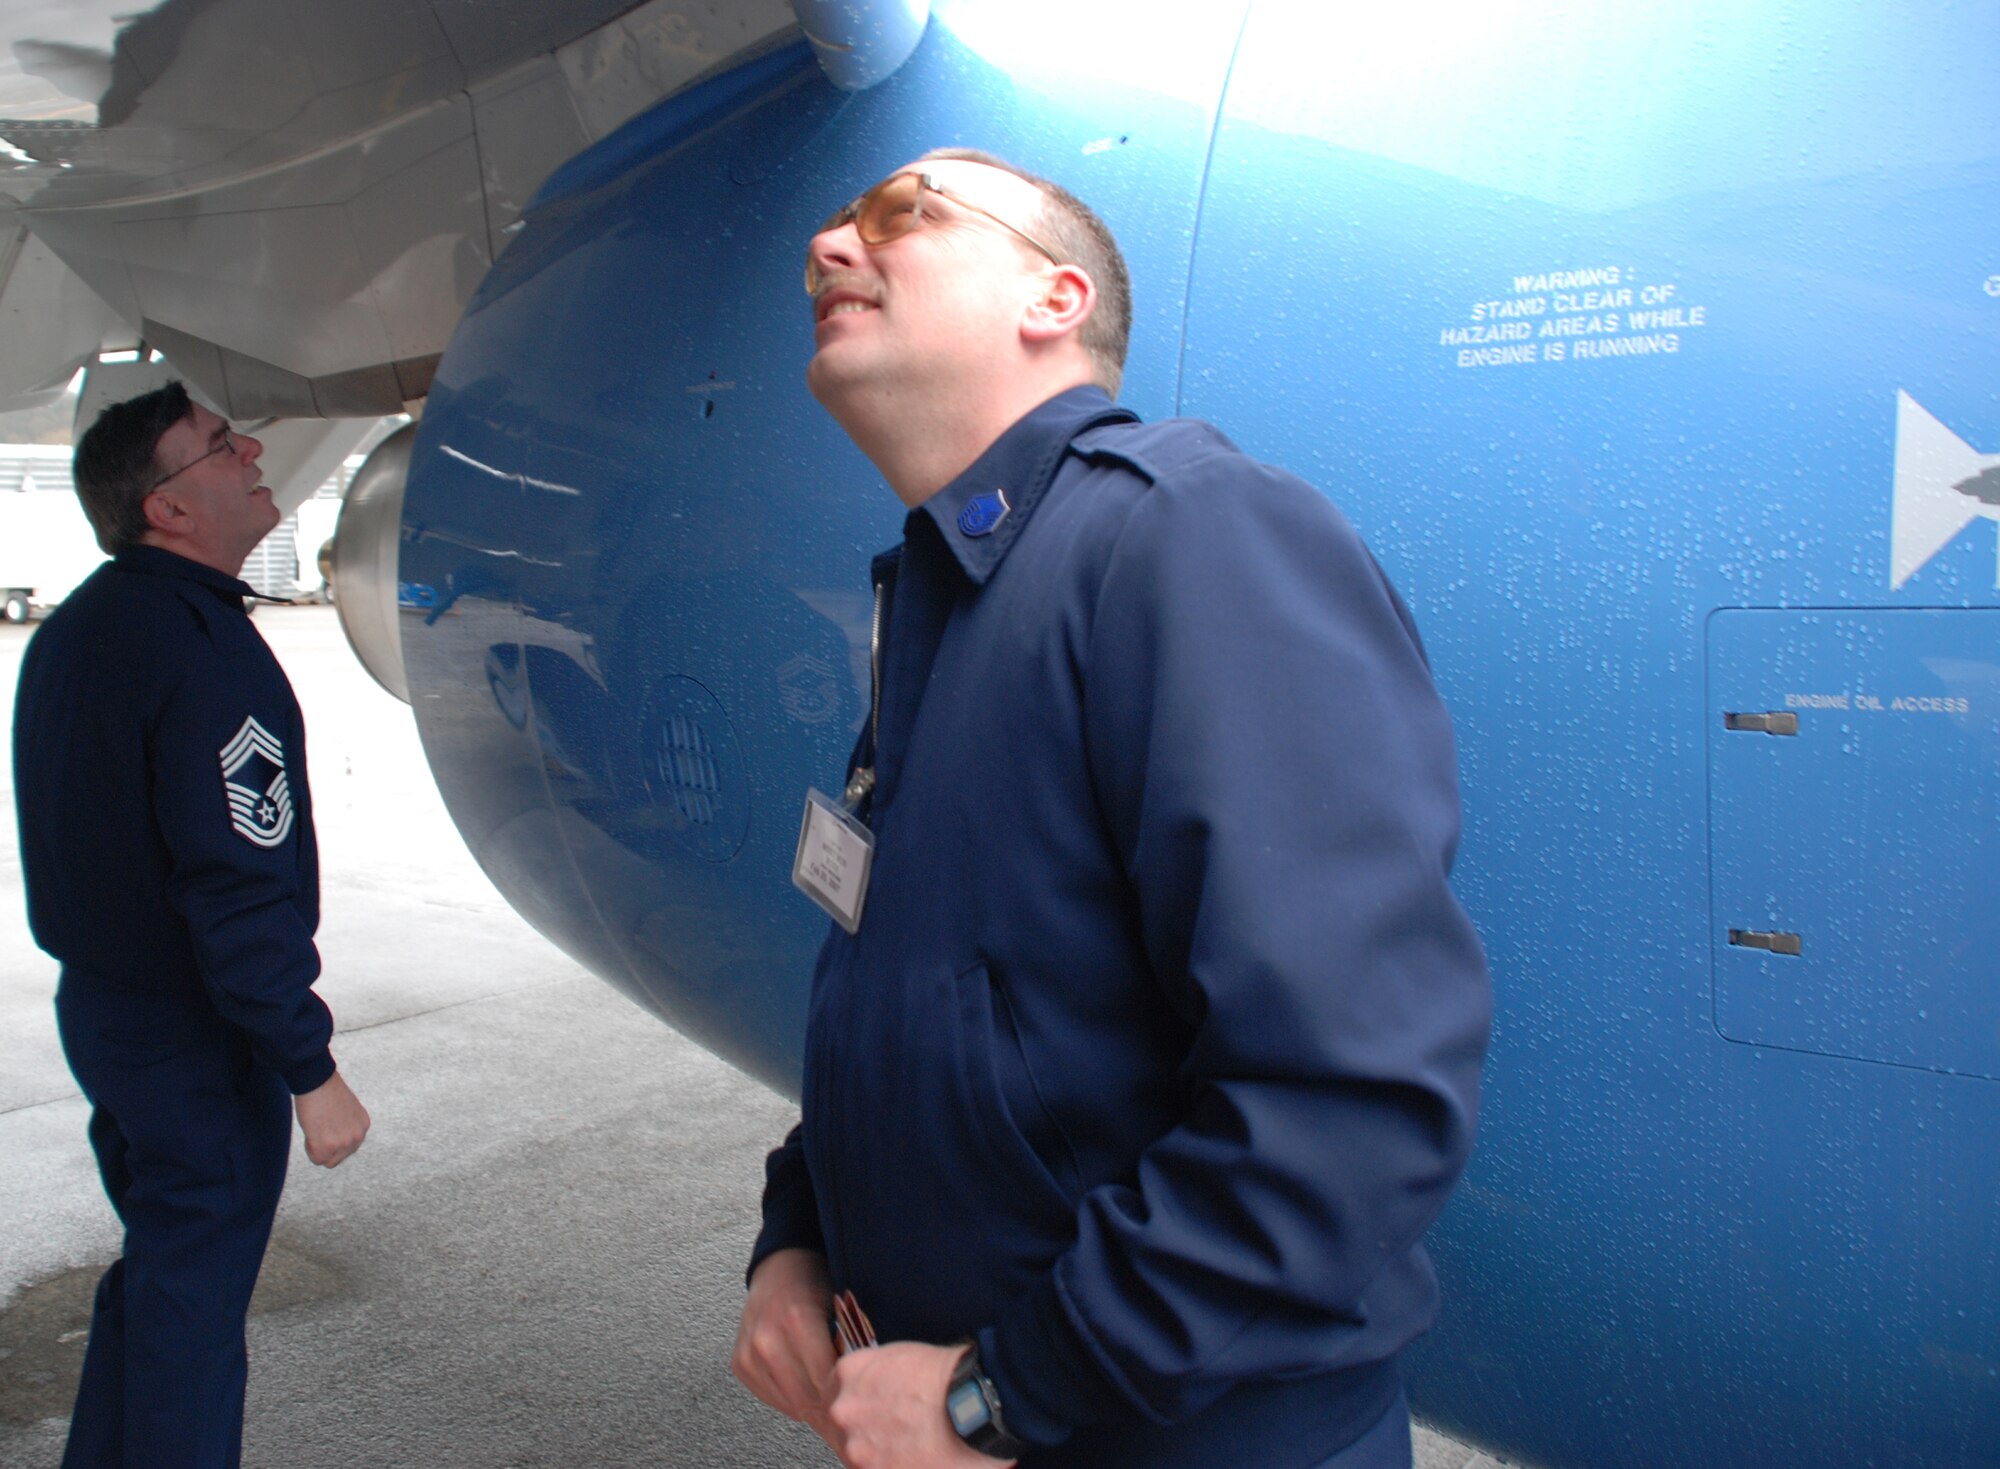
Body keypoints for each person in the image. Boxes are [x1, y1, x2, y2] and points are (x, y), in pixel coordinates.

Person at [731, 149, 1492, 1469]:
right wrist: (793, 1235)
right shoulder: (950, 596)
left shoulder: (1190, 535)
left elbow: (1348, 1098)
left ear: (1056, 297)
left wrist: (999, 1392)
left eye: (899, 216)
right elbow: (916, 1000)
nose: (827, 246)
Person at [12, 382, 371, 1469]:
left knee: (162, 1275)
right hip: (193, 1039)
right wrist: (309, 1066)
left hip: (111, 1018)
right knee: (192, 1319)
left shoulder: (81, 629)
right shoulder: (200, 652)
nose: (252, 446)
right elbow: (233, 881)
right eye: (217, 444)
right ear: (164, 508)